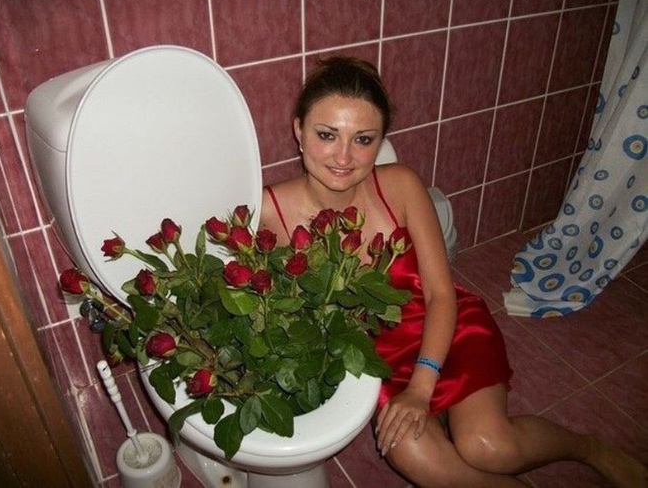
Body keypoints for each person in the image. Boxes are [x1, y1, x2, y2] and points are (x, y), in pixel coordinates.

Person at [259, 57, 647, 487]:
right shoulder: (268, 212)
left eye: (364, 139)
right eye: (327, 135)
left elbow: (441, 294)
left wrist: (422, 388)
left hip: (445, 326)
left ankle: (588, 447)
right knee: (418, 457)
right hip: (373, 362)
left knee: (489, 446)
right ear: (299, 130)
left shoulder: (400, 185)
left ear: (381, 140)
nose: (344, 157)